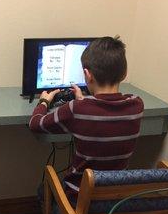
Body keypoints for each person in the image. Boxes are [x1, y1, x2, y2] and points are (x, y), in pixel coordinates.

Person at [29, 36, 144, 199]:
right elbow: (104, 111)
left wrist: (44, 101)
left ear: (87, 74)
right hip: (116, 195)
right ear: (124, 74)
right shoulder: (137, 104)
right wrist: (83, 102)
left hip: (79, 196)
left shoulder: (77, 109)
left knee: (43, 190)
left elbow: (35, 124)